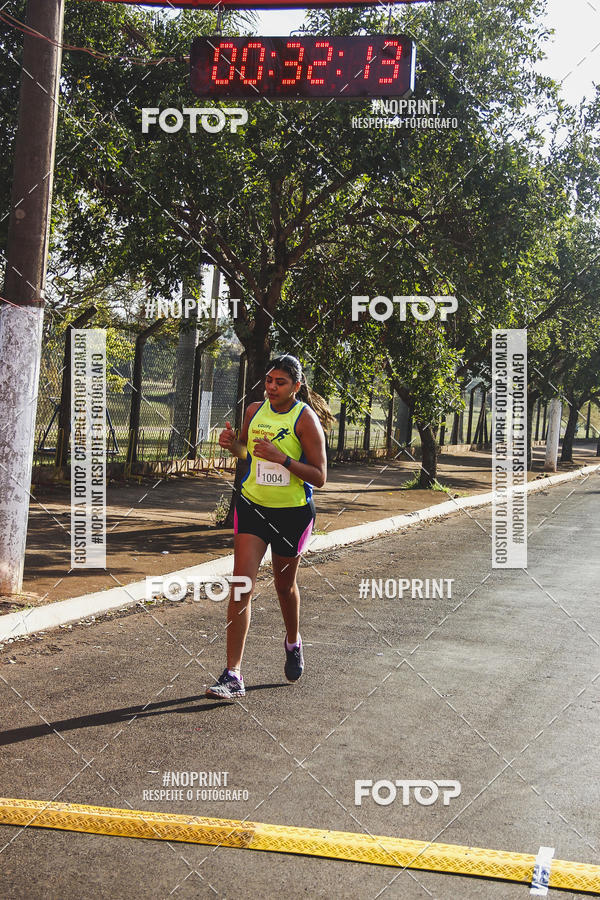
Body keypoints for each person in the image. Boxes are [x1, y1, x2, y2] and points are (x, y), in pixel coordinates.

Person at [206, 355, 331, 700]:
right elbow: (247, 453)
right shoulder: (254, 411)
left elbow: (320, 477)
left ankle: (293, 641)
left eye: (281, 382)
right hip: (252, 508)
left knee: (283, 587)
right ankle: (233, 674)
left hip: (291, 514)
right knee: (240, 586)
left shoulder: (305, 420)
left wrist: (283, 459)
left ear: (297, 387)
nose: (272, 387)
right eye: (269, 381)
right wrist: (234, 445)